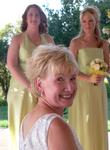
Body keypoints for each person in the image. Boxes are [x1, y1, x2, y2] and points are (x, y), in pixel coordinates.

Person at [7, 4, 54, 150]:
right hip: (21, 90)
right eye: (30, 15)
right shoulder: (18, 39)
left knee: (44, 126)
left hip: (44, 90)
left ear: (41, 18)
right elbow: (11, 64)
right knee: (23, 126)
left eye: (37, 15)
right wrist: (29, 86)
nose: (33, 18)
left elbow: (55, 62)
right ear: (25, 19)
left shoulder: (48, 39)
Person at [19, 44, 83, 150]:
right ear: (39, 84)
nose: (70, 88)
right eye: (59, 79)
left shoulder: (28, 119)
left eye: (72, 78)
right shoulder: (56, 126)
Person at [68, 6, 109, 150]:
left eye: (90, 21)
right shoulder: (75, 43)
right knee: (84, 123)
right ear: (81, 23)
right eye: (84, 21)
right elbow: (70, 69)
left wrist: (102, 71)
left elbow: (109, 67)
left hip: (98, 90)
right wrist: (88, 78)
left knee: (96, 122)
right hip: (82, 90)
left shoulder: (103, 44)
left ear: (96, 21)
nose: (87, 24)